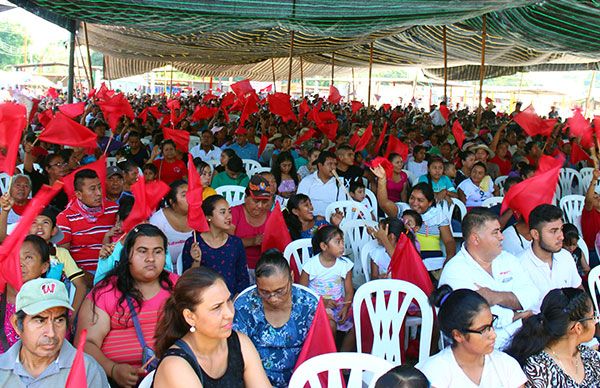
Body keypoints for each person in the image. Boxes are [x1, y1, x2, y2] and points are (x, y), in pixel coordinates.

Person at [76, 224, 177, 388]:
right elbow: (86, 343)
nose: (151, 258)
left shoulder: (178, 287)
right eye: (142, 251)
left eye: (158, 251)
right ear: (127, 255)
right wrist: (113, 369)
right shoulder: (105, 292)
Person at [152, 267, 271, 387]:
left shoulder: (241, 343)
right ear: (190, 317)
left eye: (228, 300)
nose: (229, 314)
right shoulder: (175, 366)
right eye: (216, 307)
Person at [439, 208, 539, 349]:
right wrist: (515, 315)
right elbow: (472, 317)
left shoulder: (508, 259)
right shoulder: (455, 270)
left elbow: (533, 295)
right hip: (478, 349)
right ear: (475, 239)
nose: (501, 236)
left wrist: (496, 297)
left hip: (521, 340)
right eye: (495, 232)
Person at [0, 278, 109, 387]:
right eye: (40, 321)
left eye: (59, 320)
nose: (51, 333)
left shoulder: (88, 370)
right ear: (16, 324)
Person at [233, 250, 318, 387]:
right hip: (255, 381)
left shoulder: (307, 304)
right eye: (264, 292)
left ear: (291, 277)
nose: (272, 299)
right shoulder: (245, 306)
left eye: (280, 291)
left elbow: (318, 350)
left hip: (302, 380)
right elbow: (237, 352)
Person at [417, 286, 526, 387]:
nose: (493, 335)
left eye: (491, 325)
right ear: (458, 335)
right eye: (483, 330)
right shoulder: (435, 371)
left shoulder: (506, 365)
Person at [505, 288, 600, 386]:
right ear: (578, 328)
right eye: (593, 317)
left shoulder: (590, 356)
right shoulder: (538, 369)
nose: (595, 321)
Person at [374, 165, 455, 259]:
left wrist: (449, 258)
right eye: (412, 198)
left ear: (430, 203)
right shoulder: (403, 210)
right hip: (408, 261)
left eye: (420, 200)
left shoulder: (437, 215)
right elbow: (384, 203)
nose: (415, 203)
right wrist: (382, 180)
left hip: (434, 261)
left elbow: (449, 241)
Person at [299, 225, 354, 351]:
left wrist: (346, 307)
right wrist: (322, 302)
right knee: (330, 325)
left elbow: (349, 291)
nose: (342, 246)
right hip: (318, 305)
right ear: (324, 246)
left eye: (342, 241)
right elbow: (302, 293)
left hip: (339, 303)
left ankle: (343, 360)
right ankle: (329, 356)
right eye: (337, 242)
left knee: (358, 323)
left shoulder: (345, 265)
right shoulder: (311, 266)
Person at [56, 169, 118, 280]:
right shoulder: (65, 217)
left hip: (113, 273)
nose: (99, 193)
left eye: (99, 187)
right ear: (78, 194)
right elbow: (63, 256)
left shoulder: (114, 210)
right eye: (92, 189)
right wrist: (85, 278)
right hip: (81, 276)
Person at [518, 205, 581, 312]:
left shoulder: (565, 256)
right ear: (535, 234)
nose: (561, 236)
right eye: (553, 231)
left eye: (561, 229)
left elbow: (578, 289)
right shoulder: (519, 265)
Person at [181, 195, 250, 294]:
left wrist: (236, 299)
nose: (229, 216)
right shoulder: (194, 244)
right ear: (208, 217)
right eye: (222, 212)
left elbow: (243, 278)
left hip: (232, 299)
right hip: (203, 299)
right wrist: (196, 261)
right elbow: (187, 281)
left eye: (229, 211)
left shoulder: (236, 243)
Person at [29, 206, 87, 314]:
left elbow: (81, 285)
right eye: (34, 222)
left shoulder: (61, 254)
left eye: (45, 222)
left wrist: (72, 315)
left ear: (54, 230)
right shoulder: (21, 252)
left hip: (56, 311)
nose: (39, 227)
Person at [0, 235, 51, 354]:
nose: (20, 263)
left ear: (44, 267)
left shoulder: (52, 301)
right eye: (13, 257)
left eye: (28, 257)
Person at [229, 175, 272, 281]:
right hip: (238, 267)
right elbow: (227, 243)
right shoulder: (234, 213)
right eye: (256, 201)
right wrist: (252, 241)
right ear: (245, 198)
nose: (260, 206)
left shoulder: (271, 216)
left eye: (264, 202)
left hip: (265, 269)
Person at [149, 180, 193, 263]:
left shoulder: (199, 216)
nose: (190, 198)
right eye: (184, 195)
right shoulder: (158, 220)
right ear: (172, 202)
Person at [297, 151, 346, 218]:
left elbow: (341, 207)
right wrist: (314, 218)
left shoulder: (340, 183)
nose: (333, 167)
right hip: (311, 222)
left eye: (335, 164)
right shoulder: (306, 181)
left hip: (331, 224)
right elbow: (300, 205)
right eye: (330, 164)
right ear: (320, 165)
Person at [581, 169, 600, 266]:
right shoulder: (589, 211)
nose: (598, 198)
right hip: (593, 251)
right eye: (595, 196)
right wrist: (594, 179)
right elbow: (588, 200)